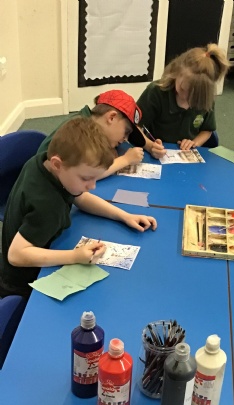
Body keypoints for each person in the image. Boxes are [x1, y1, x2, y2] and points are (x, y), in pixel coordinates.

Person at [0, 117, 157, 299]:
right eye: (86, 178)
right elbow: (16, 255)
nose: (93, 186)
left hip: (29, 258)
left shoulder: (44, 163)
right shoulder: (48, 205)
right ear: (57, 164)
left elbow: (79, 197)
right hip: (25, 284)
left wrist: (124, 216)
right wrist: (75, 256)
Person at [137, 44, 229, 158]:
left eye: (194, 96)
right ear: (176, 73)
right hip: (157, 152)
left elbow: (207, 130)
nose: (186, 97)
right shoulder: (156, 91)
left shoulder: (206, 98)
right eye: (182, 89)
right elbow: (135, 126)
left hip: (185, 155)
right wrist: (150, 146)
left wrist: (194, 143)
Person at [37, 90, 146, 180]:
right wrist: (126, 160)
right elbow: (89, 174)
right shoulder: (80, 130)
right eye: (126, 132)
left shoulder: (93, 124)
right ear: (111, 117)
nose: (125, 139)